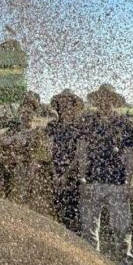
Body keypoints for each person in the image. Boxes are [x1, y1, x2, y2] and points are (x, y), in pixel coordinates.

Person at [78, 84, 133, 265]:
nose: (105, 102)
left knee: (121, 227)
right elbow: (82, 151)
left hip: (117, 182)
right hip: (93, 181)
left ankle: (124, 264)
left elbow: (129, 155)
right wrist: (82, 177)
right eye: (101, 99)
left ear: (114, 101)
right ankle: (91, 264)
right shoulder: (88, 122)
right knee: (89, 228)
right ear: (97, 101)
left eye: (108, 99)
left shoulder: (125, 124)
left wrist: (128, 181)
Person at [46, 89, 85, 233]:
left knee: (72, 212)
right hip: (54, 173)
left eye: (69, 103)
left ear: (74, 106)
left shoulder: (79, 127)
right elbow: (49, 152)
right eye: (62, 103)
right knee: (56, 209)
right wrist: (55, 174)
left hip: (72, 175)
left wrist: (65, 174)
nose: (65, 106)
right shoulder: (52, 126)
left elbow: (79, 153)